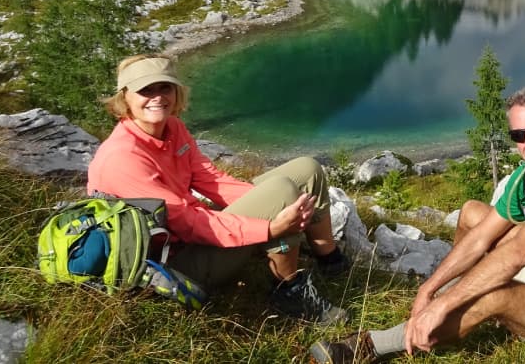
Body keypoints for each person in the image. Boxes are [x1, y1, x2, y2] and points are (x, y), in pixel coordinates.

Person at [308, 85, 525, 363]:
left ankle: (369, 346)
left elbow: (518, 252)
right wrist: (430, 288)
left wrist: (444, 303)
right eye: (518, 135)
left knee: (494, 293)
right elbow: (479, 238)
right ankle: (456, 308)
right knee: (475, 214)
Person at [87, 53, 349, 323]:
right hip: (170, 268)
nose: (157, 97)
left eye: (164, 87)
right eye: (145, 90)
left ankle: (330, 260)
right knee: (281, 194)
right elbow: (188, 222)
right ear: (125, 98)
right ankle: (289, 293)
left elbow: (210, 180)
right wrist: (271, 226)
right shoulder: (122, 157)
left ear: (176, 92)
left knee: (307, 169)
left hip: (189, 238)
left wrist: (267, 204)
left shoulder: (172, 128)